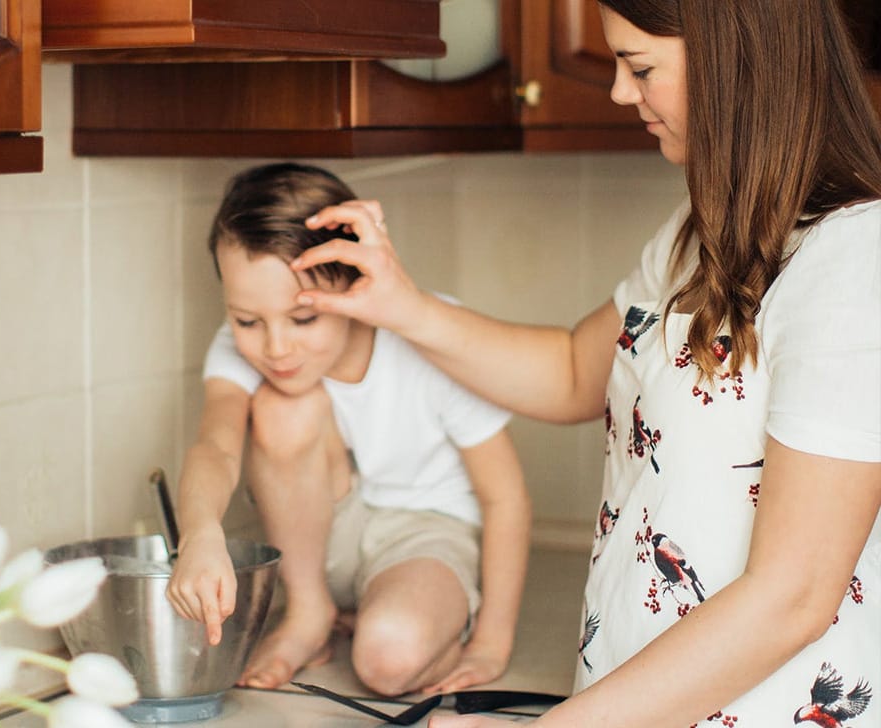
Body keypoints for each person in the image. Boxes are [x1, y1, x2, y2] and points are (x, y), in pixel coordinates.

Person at [291, 0, 881, 724]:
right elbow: (576, 371)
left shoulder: (854, 257)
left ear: (738, 62)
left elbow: (793, 597)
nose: (621, 92)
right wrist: (401, 306)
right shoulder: (700, 232)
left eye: (640, 67)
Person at [165, 162, 532, 697]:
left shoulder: (430, 333)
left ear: (357, 282)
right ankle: (309, 612)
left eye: (304, 319)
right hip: (322, 541)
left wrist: (492, 643)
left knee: (388, 659)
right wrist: (200, 533)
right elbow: (215, 445)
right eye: (247, 321)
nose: (276, 348)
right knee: (282, 407)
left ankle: (411, 618)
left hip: (426, 534)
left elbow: (506, 497)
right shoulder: (245, 345)